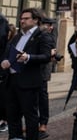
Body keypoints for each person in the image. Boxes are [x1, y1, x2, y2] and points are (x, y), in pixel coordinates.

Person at [0, 8, 52, 140]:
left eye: (26, 18)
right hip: (11, 80)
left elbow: (46, 56)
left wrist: (28, 57)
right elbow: (8, 52)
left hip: (29, 82)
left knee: (30, 116)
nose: (22, 21)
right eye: (21, 18)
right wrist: (5, 61)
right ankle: (15, 137)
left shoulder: (42, 35)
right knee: (12, 114)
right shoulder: (18, 36)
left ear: (35, 20)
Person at [37, 17, 58, 139]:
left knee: (42, 97)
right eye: (46, 24)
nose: (49, 27)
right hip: (34, 70)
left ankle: (43, 123)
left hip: (43, 71)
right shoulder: (36, 34)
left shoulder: (49, 36)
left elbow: (52, 54)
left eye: (49, 25)